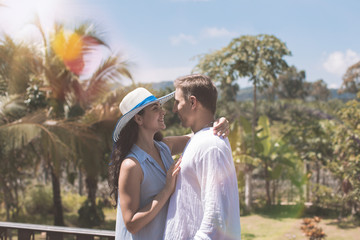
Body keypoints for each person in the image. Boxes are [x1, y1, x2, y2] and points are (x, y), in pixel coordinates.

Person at [108, 87, 229, 240]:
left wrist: (218, 124)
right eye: (155, 108)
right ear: (138, 119)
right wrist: (166, 190)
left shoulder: (164, 147)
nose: (163, 112)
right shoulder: (131, 165)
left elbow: (199, 136)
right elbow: (131, 224)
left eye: (160, 107)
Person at [164, 74, 241, 240]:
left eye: (177, 102)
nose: (174, 109)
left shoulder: (211, 146)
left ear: (192, 102)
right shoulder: (201, 140)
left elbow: (215, 218)